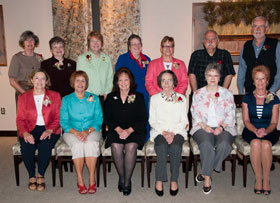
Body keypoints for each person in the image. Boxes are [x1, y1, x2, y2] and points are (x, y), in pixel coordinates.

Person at [190, 63, 236, 194]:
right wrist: (205, 126)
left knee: (224, 145)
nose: (212, 78)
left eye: (215, 75)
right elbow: (195, 113)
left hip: (224, 126)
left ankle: (204, 171)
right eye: (209, 75)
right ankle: (207, 179)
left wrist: (221, 127)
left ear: (220, 77)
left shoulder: (227, 93)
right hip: (201, 127)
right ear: (205, 77)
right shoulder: (198, 93)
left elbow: (231, 114)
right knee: (206, 144)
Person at [104, 67, 147, 196]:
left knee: (131, 146)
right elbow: (107, 118)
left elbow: (143, 119)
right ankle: (121, 177)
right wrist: (118, 130)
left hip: (134, 130)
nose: (123, 83)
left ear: (131, 81)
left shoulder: (138, 97)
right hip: (115, 129)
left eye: (126, 80)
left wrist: (128, 131)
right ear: (116, 82)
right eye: (120, 80)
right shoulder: (111, 97)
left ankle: (127, 181)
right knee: (116, 146)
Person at [16, 69, 61, 192]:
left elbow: (58, 117)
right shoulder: (23, 97)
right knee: (26, 146)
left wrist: (50, 130)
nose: (39, 81)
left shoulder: (55, 95)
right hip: (30, 128)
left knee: (44, 146)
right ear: (32, 80)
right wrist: (25, 133)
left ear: (46, 81)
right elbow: (20, 118)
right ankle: (31, 175)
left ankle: (40, 174)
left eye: (42, 78)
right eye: (37, 78)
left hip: (50, 128)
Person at [60, 71, 103, 194]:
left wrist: (87, 131)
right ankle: (79, 178)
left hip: (92, 130)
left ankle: (91, 178)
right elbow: (64, 121)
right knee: (78, 145)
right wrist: (76, 133)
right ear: (73, 83)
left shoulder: (93, 98)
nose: (80, 83)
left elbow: (99, 118)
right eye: (77, 80)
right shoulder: (66, 99)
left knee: (90, 144)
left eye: (83, 81)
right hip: (71, 131)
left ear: (86, 83)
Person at [241, 65, 280, 195]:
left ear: (267, 80)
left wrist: (266, 131)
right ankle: (258, 179)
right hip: (251, 130)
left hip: (269, 130)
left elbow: (274, 122)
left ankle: (266, 179)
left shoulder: (274, 98)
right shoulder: (247, 98)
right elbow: (246, 121)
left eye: (263, 79)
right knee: (256, 143)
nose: (260, 82)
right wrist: (255, 131)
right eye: (257, 79)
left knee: (266, 144)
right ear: (253, 80)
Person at [149, 70, 188, 197]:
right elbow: (152, 120)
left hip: (178, 131)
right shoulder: (154, 99)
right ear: (160, 82)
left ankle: (174, 180)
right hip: (159, 131)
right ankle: (159, 180)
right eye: (163, 80)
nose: (166, 83)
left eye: (169, 80)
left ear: (174, 82)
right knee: (161, 146)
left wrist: (173, 133)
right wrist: (164, 132)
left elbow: (184, 121)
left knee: (176, 147)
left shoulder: (182, 98)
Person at [237, 16, 280, 94]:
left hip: (269, 92)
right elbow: (241, 71)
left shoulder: (275, 44)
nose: (258, 29)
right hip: (249, 93)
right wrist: (241, 92)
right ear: (252, 29)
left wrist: (272, 91)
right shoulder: (246, 46)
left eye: (261, 26)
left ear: (266, 29)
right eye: (255, 26)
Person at [115, 34, 151, 140]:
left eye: (138, 43)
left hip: (144, 95)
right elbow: (119, 78)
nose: (136, 46)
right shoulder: (123, 59)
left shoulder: (147, 59)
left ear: (141, 45)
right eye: (133, 44)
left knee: (144, 118)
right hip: (129, 95)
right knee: (130, 120)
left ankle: (144, 139)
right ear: (129, 47)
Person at [77, 30, 113, 104]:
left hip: (104, 97)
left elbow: (110, 78)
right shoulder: (82, 59)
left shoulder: (107, 59)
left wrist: (107, 93)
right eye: (93, 41)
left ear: (102, 43)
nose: (96, 43)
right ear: (89, 43)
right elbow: (79, 79)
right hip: (87, 97)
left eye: (98, 41)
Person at [8, 31, 43, 105]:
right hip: (22, 92)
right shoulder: (17, 57)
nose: (29, 42)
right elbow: (12, 81)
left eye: (32, 40)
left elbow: (43, 75)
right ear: (23, 43)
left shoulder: (39, 57)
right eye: (27, 40)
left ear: (35, 42)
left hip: (37, 91)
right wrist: (25, 93)